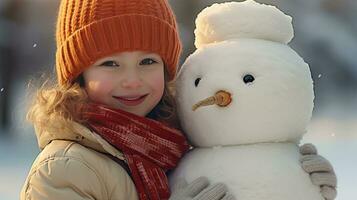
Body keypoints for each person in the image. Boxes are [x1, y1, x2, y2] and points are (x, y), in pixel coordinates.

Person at [20, 0, 336, 200]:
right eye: (110, 64)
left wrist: (299, 187)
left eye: (147, 62)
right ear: (79, 74)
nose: (132, 80)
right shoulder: (65, 167)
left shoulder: (174, 148)